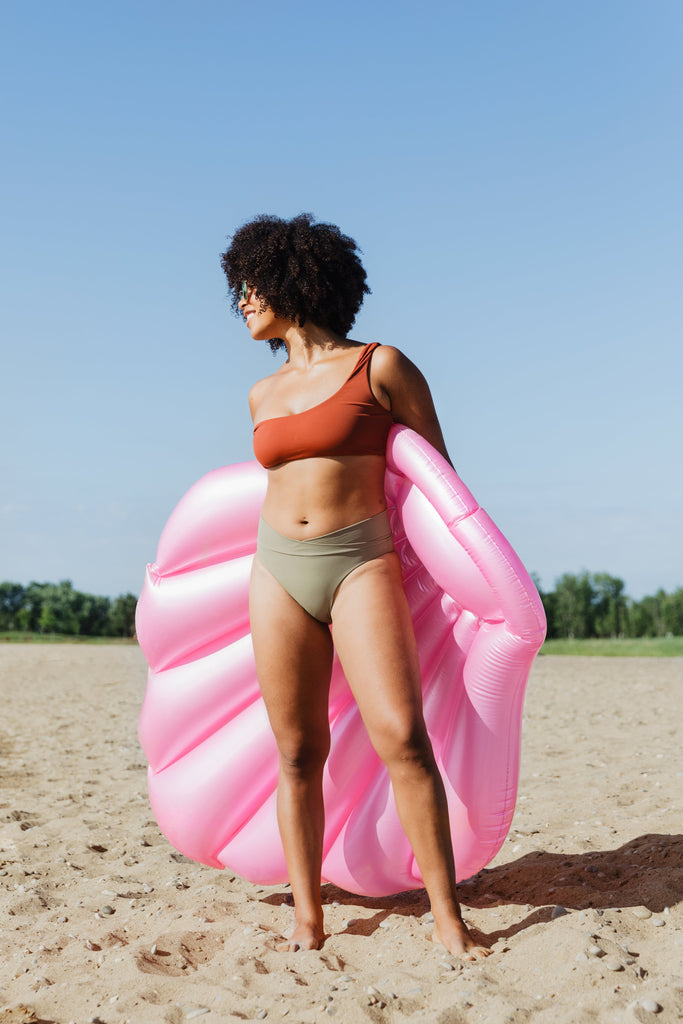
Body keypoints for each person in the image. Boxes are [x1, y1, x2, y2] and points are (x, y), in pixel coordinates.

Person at [220, 213, 489, 959]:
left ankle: (448, 920)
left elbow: (439, 485)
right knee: (298, 751)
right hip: (276, 568)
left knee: (403, 737)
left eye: (250, 284)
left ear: (294, 280)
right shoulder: (260, 394)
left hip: (360, 561)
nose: (242, 300)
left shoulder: (381, 365)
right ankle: (308, 921)